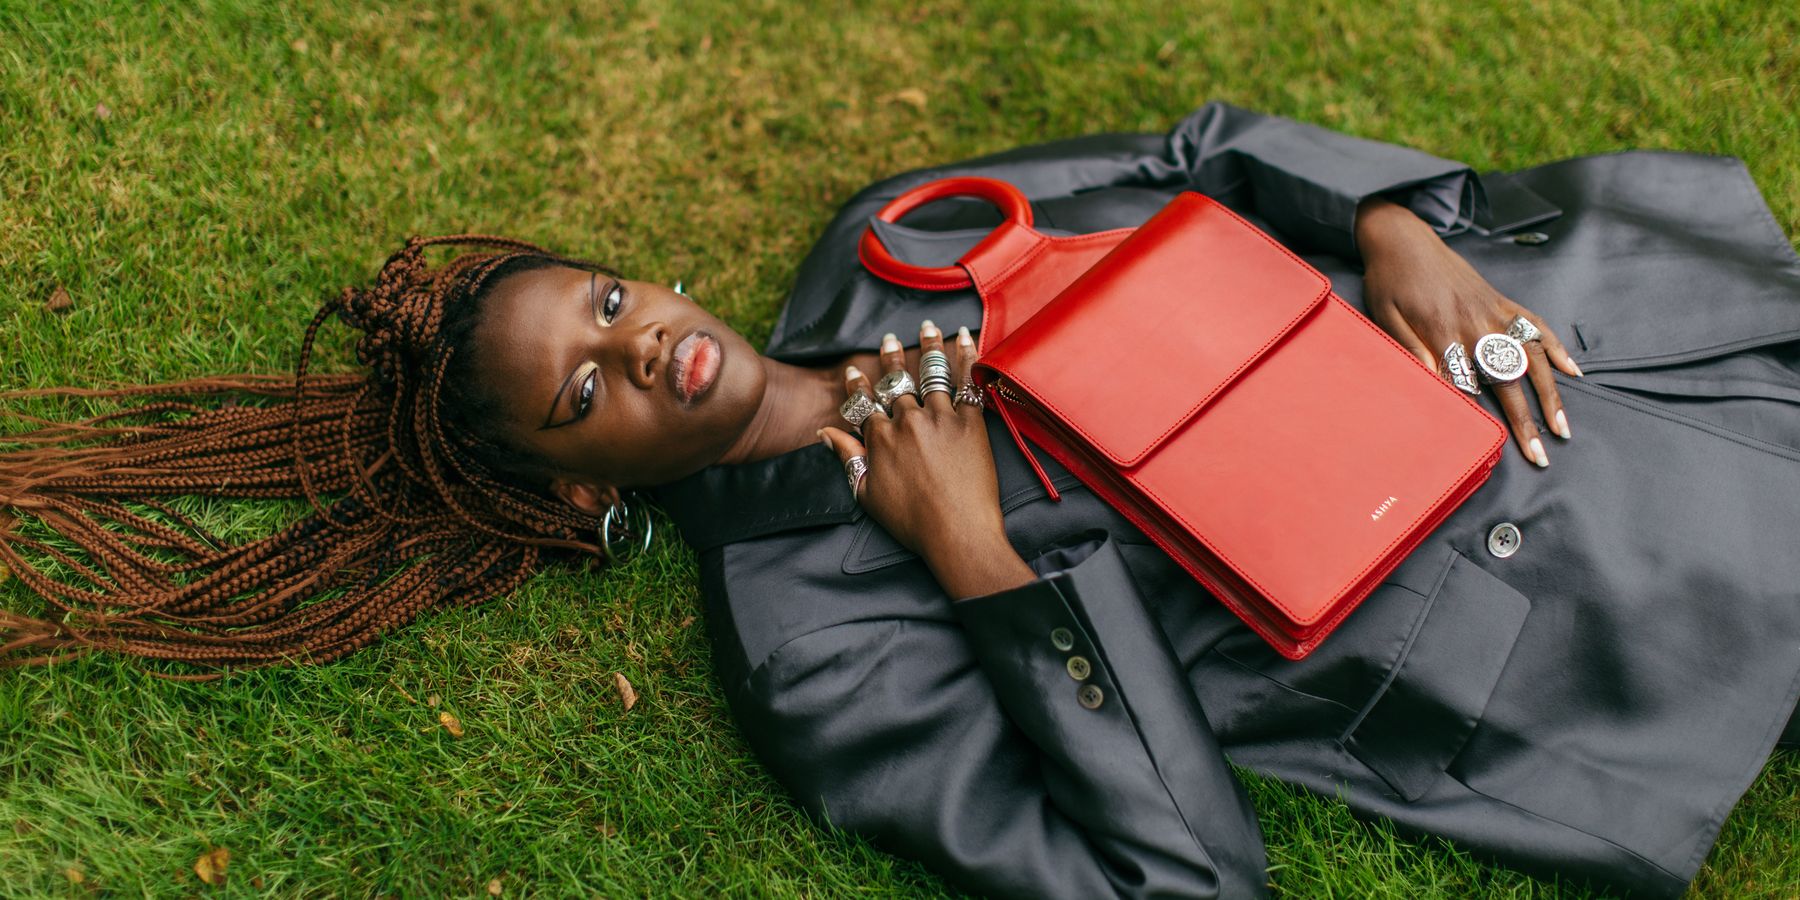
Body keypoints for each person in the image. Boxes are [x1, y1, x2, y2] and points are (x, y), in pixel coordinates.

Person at [3, 102, 1797, 896]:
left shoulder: (888, 243)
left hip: (1537, 360)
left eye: (612, 303)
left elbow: (1190, 152)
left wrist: (1395, 224)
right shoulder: (815, 658)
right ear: (561, 492)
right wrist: (982, 564)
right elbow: (1177, 878)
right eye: (583, 391)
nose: (647, 349)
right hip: (1544, 608)